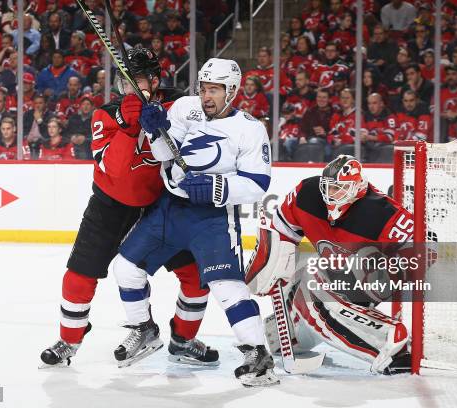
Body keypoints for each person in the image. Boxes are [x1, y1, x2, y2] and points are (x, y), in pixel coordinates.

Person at [40, 47, 217, 368]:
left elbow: (204, 147)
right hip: (110, 205)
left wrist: (167, 126)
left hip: (164, 204)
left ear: (155, 80)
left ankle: (183, 339)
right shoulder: (105, 114)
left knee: (195, 275)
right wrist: (129, 126)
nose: (130, 89)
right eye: (125, 83)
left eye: (138, 82)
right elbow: (115, 171)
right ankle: (70, 339)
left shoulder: (180, 105)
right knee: (78, 276)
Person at [109, 58, 278, 387]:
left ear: (231, 91)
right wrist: (154, 127)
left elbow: (258, 183)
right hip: (168, 209)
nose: (206, 96)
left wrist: (218, 187)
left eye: (214, 89)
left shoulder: (250, 128)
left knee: (225, 286)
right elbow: (163, 153)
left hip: (212, 219)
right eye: (203, 88)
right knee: (126, 269)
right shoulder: (186, 108)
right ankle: (144, 331)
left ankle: (258, 354)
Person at [246, 155, 413, 375]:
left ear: (357, 187)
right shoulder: (307, 194)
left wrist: (384, 275)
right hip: (336, 273)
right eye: (329, 187)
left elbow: (425, 249)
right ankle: (298, 332)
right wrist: (272, 266)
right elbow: (281, 230)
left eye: (339, 188)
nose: (331, 195)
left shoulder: (380, 211)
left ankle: (391, 344)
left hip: (371, 277)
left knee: (313, 290)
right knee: (281, 336)